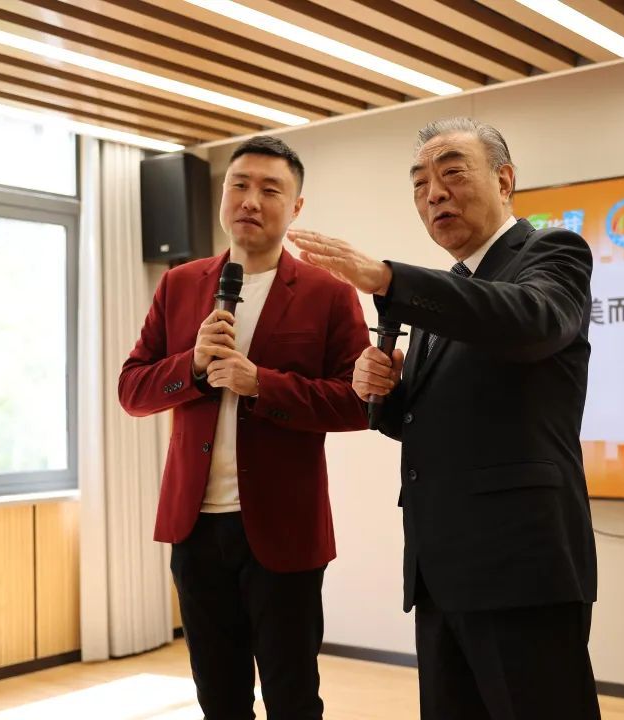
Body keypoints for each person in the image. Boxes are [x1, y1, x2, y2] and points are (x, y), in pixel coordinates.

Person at [289, 117, 601, 720]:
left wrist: (386, 278)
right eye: (419, 183)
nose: (434, 193)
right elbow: (430, 418)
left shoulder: (551, 253)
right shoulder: (447, 290)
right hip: (439, 570)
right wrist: (384, 393)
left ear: (504, 181)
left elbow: (531, 323)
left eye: (453, 173)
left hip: (521, 567)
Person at [119, 135, 369, 720]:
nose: (250, 200)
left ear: (296, 207)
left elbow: (359, 405)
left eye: (270, 190)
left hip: (285, 529)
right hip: (195, 528)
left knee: (292, 698)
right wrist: (192, 366)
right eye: (239, 185)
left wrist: (263, 384)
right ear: (223, 196)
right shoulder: (180, 284)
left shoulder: (329, 294)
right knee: (218, 699)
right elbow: (132, 390)